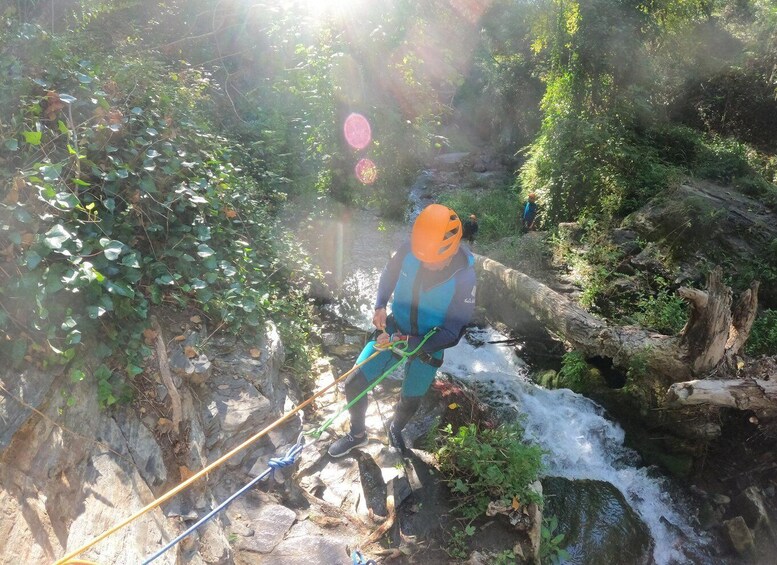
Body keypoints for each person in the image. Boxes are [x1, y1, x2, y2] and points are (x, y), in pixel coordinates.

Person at [327, 204, 477, 457]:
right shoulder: (411, 249)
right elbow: (389, 274)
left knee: (411, 398)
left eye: (433, 261)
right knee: (354, 385)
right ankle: (357, 434)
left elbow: (454, 331)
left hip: (429, 345)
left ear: (449, 250)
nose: (427, 266)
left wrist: (413, 342)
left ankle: (396, 429)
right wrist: (380, 306)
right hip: (395, 329)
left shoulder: (465, 277)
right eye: (423, 260)